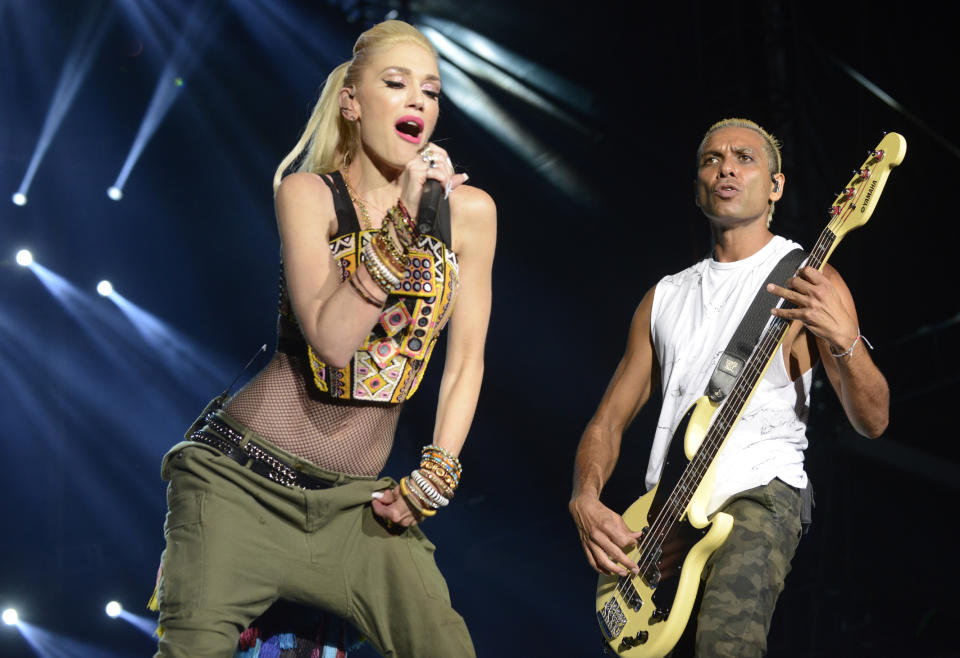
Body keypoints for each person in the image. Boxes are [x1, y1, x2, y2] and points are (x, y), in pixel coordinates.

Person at [152, 19, 496, 658]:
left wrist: (437, 470)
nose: (418, 100)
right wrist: (405, 221)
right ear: (352, 100)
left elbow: (466, 358)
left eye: (432, 90)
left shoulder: (472, 214)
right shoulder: (307, 194)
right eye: (395, 83)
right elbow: (334, 341)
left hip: (352, 510)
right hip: (241, 485)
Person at [569, 118, 889, 656]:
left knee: (726, 646)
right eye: (712, 159)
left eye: (745, 158)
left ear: (775, 186)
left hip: (760, 493)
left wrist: (844, 340)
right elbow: (608, 420)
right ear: (697, 187)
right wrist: (585, 496)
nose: (726, 167)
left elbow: (873, 421)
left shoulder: (811, 278)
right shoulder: (664, 297)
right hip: (663, 516)